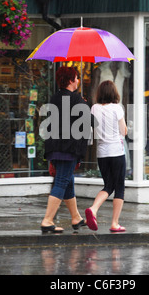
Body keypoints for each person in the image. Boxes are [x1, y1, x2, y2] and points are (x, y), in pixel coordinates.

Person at [40, 66, 90, 233]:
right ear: (70, 81)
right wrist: (83, 105)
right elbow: (89, 123)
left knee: (68, 181)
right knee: (62, 181)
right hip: (68, 148)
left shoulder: (54, 98)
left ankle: (76, 218)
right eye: (76, 77)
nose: (78, 80)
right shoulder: (76, 100)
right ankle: (47, 220)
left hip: (55, 147)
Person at [85, 80, 128, 232]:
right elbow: (123, 132)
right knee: (119, 188)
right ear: (114, 93)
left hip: (102, 153)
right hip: (116, 152)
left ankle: (94, 209)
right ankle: (114, 223)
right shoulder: (117, 108)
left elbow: (92, 129)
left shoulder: (94, 108)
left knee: (108, 185)